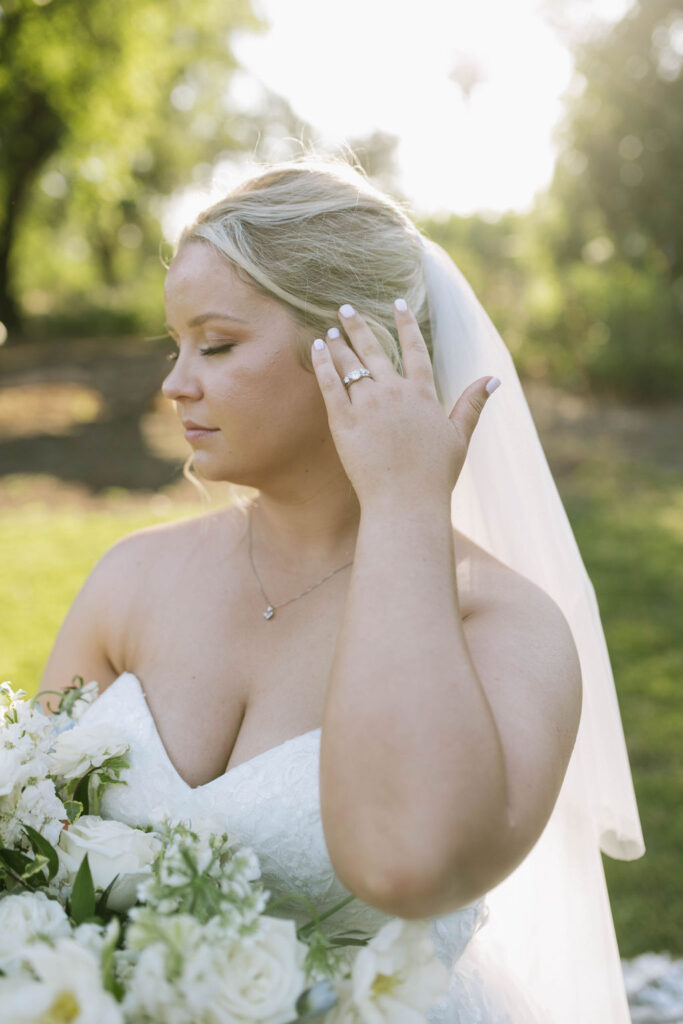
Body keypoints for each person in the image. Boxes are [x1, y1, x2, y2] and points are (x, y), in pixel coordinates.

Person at [38, 155, 644, 1022]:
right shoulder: (129, 579)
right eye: (174, 346)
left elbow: (410, 864)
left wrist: (402, 500)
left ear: (357, 350)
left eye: (215, 344)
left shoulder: (501, 627)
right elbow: (24, 846)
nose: (174, 383)